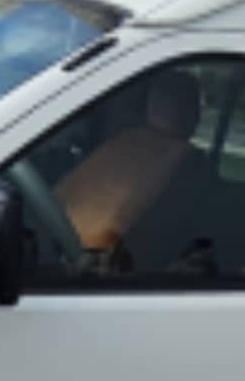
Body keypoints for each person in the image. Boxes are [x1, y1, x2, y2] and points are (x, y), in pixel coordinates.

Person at [54, 71, 203, 266]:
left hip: (81, 258)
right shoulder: (187, 160)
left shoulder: (121, 143)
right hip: (78, 253)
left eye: (164, 101)